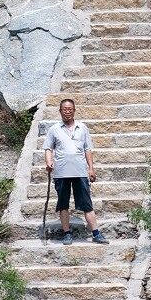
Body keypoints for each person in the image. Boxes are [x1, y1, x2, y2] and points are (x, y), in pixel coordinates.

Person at [43, 98, 109, 245]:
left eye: (70, 108)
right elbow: (48, 148)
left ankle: (96, 233)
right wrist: (48, 162)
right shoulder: (54, 129)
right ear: (60, 111)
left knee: (87, 204)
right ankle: (67, 233)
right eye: (64, 109)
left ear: (74, 110)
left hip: (80, 171)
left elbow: (87, 149)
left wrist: (91, 168)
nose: (67, 111)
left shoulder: (82, 128)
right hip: (61, 172)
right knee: (63, 204)